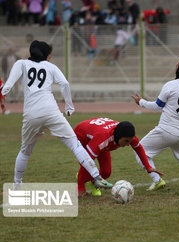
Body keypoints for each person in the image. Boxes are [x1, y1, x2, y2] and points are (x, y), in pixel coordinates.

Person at [0, 40, 112, 191]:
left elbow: (8, 84)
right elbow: (65, 84)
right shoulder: (51, 67)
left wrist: (4, 94)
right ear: (45, 54)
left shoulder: (21, 63)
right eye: (49, 55)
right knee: (75, 144)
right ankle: (97, 177)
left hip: (31, 114)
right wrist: (69, 106)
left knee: (25, 151)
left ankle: (17, 185)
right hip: (51, 111)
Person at [132, 57, 179, 191]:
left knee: (140, 151)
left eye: (178, 64)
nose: (176, 65)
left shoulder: (171, 85)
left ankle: (157, 180)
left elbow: (157, 106)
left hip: (166, 130)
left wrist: (141, 102)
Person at [74, 118, 164, 196]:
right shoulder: (103, 140)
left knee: (106, 172)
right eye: (126, 141)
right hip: (81, 135)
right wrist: (80, 188)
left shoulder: (127, 135)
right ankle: (81, 181)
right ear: (118, 137)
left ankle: (92, 181)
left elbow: (139, 149)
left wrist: (148, 167)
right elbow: (86, 160)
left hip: (99, 136)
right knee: (87, 164)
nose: (129, 144)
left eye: (130, 141)